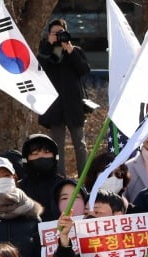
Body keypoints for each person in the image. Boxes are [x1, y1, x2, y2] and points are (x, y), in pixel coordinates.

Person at [35, 18, 91, 172]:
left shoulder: (75, 51)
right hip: (54, 106)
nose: (58, 36)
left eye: (61, 33)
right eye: (55, 33)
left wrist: (70, 50)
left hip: (74, 105)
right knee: (56, 146)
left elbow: (84, 70)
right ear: (49, 34)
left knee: (80, 143)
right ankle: (59, 179)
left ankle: (84, 179)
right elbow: (38, 69)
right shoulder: (45, 51)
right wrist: (48, 46)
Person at [17, 133, 65, 223]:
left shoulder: (65, 186)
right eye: (35, 153)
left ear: (55, 156)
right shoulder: (19, 188)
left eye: (46, 152)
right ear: (26, 159)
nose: (41, 156)